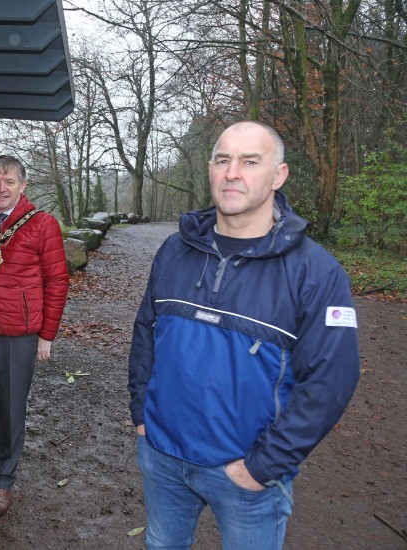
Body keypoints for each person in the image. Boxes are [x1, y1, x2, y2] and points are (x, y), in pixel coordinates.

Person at [128, 121, 360, 549]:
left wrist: (264, 465)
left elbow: (330, 382)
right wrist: (142, 415)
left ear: (278, 175)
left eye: (250, 161)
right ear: (211, 170)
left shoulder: (317, 272)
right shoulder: (174, 251)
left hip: (247, 473)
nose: (232, 172)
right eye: (223, 160)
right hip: (162, 456)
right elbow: (146, 333)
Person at [0, 155, 69, 517]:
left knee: (11, 407)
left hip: (19, 335)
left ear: (23, 185)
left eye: (9, 181)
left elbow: (57, 282)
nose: (1, 188)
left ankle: (5, 480)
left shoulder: (42, 225)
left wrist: (46, 335)